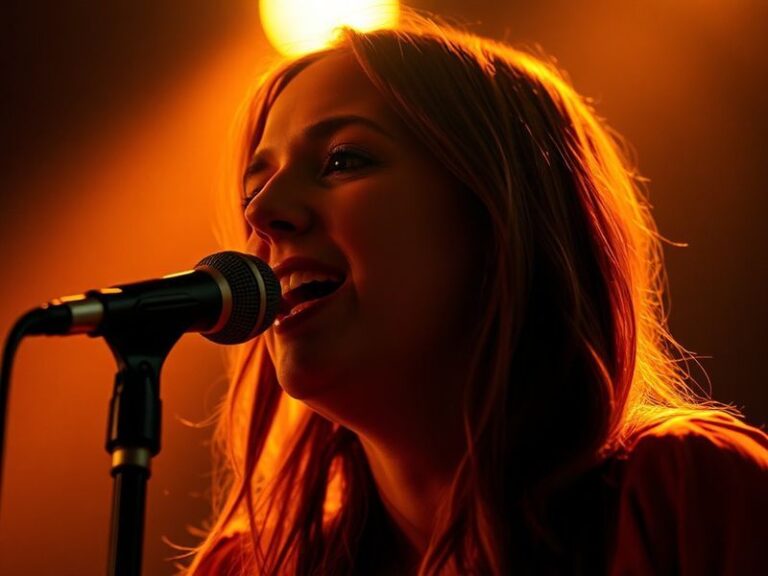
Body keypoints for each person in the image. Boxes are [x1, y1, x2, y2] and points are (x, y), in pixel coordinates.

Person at [184, 15, 768, 575]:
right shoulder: (245, 568)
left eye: (343, 160)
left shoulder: (687, 495)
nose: (261, 215)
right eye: (252, 190)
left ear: (502, 219)